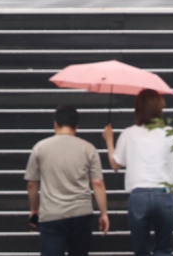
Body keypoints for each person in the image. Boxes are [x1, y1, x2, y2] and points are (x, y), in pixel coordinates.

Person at [102, 89, 173, 256]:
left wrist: (109, 140)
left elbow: (115, 164)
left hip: (139, 195)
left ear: (137, 110)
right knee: (164, 248)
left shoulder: (129, 133)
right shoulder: (170, 133)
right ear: (159, 110)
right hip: (164, 193)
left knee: (141, 250)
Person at [25, 105, 110, 256]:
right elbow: (98, 183)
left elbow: (32, 184)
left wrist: (34, 209)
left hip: (51, 214)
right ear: (76, 127)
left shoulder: (40, 148)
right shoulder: (88, 149)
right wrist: (103, 213)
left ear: (55, 124)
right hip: (81, 214)